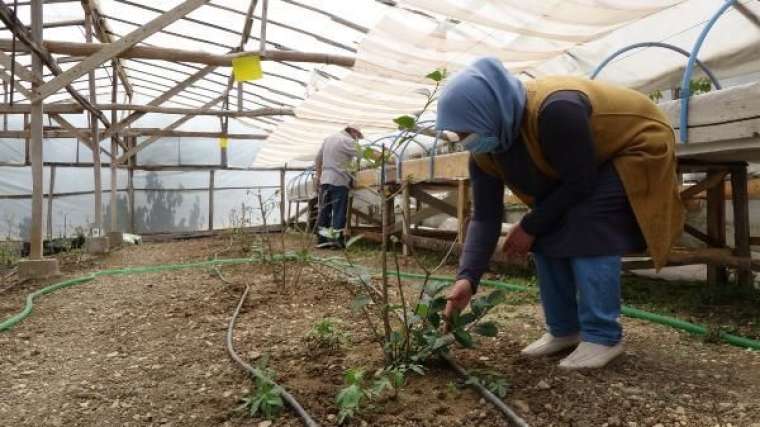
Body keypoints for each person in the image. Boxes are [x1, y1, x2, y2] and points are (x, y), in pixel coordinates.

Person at [437, 57, 683, 369]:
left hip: (635, 144)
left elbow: (580, 183)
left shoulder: (555, 110)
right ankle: (564, 330)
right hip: (587, 165)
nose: (464, 140)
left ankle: (603, 336)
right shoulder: (486, 152)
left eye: (465, 130)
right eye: (457, 134)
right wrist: (467, 278)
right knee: (543, 228)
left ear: (488, 110)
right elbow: (485, 216)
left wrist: (529, 224)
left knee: (588, 218)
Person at [314, 125, 364, 248]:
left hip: (325, 180)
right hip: (339, 180)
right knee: (339, 211)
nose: (357, 139)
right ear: (352, 131)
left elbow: (318, 158)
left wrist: (318, 176)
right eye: (357, 136)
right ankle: (336, 241)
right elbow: (363, 155)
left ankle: (322, 240)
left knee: (324, 210)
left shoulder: (328, 139)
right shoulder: (347, 141)